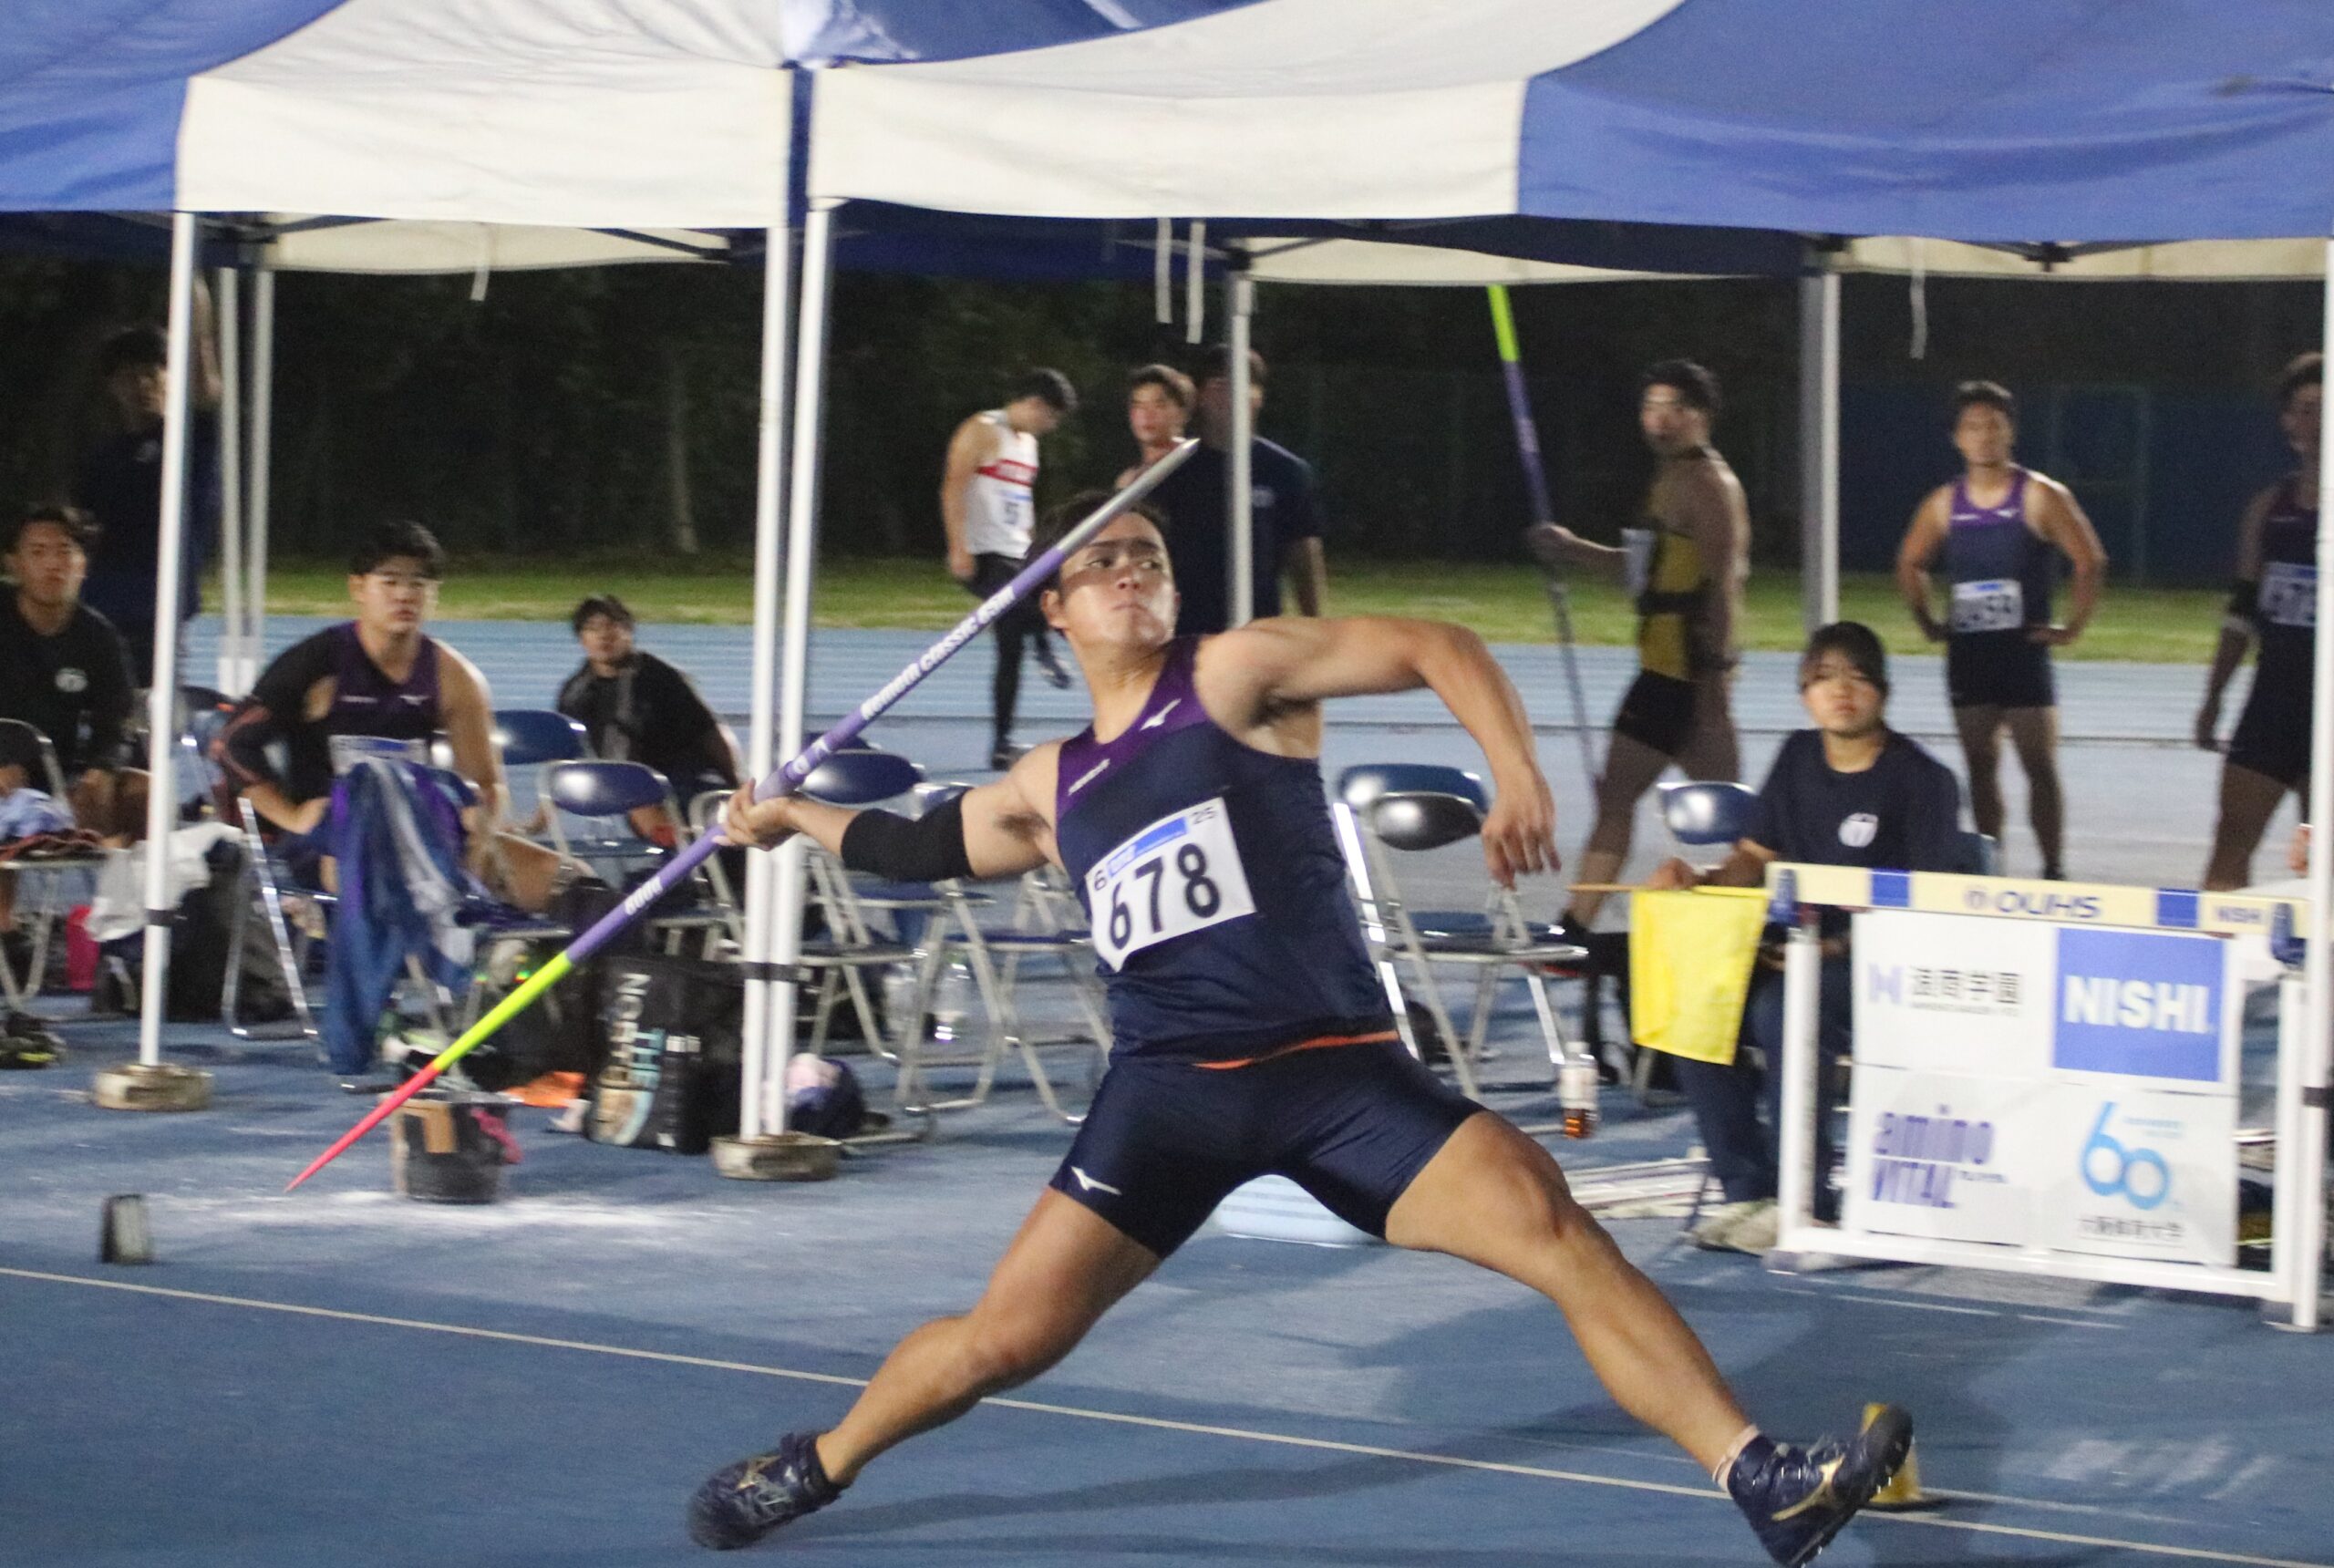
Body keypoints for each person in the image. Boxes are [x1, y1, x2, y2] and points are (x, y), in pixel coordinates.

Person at [691, 495, 1913, 1566]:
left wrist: (1518, 770)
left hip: (1340, 1077)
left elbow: (1438, 644)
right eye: (1102, 561)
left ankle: (1760, 1480)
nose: (1131, 571)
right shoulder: (1050, 784)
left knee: (1554, 1228)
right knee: (1004, 1343)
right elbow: (912, 847)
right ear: (1055, 608)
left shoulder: (1234, 674)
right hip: (1168, 1097)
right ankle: (819, 1460)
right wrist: (791, 815)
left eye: (1150, 555)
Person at [1645, 623, 1967, 1253]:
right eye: (1824, 678)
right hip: (1797, 951)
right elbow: (1755, 855)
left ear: (1883, 690)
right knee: (1692, 1002)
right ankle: (1748, 1191)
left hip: (1880, 965)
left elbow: (1930, 905)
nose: (1840, 690)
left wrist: (1837, 949)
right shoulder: (1796, 757)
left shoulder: (1923, 780)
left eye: (1856, 676)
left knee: (1781, 1010)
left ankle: (1807, 1199)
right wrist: (1698, 880)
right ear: (1804, 696)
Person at [215, 521, 574, 910]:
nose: (405, 594)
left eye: (418, 583)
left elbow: (485, 784)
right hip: (333, 841)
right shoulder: (316, 664)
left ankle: (516, 961)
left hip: (421, 833)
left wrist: (481, 838)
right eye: (389, 581)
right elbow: (233, 744)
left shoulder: (454, 678)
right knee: (377, 876)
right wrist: (291, 817)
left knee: (569, 884)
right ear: (358, 588)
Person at [1528, 359, 1750, 934]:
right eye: (1651, 407)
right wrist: (1572, 548)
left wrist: (1715, 684)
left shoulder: (1706, 485)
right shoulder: (1670, 479)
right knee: (1658, 804)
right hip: (1662, 671)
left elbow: (1724, 586)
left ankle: (1751, 923)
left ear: (1701, 416)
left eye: (1674, 408)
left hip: (1685, 677)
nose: (1659, 420)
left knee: (1716, 815)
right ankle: (1578, 926)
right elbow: (1646, 570)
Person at [1895, 381, 2106, 881]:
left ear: (2011, 430)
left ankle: (2053, 868)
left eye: (1994, 424)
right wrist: (1927, 622)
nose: (1985, 435)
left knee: (2039, 765)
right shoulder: (1944, 504)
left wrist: (2071, 628)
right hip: (1971, 654)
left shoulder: (2039, 496)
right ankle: (1992, 869)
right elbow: (1910, 562)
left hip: (2022, 653)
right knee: (1980, 768)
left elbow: (2089, 560)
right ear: (1957, 439)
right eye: (1973, 426)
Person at [2196, 355, 2322, 891]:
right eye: (2306, 408)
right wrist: (2214, 696)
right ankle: (2223, 962)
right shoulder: (2269, 509)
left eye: (2327, 406)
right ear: (2288, 423)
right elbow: (2242, 612)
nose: (2318, 419)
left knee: (2322, 860)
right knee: (2229, 845)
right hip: (2273, 703)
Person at [74, 308, 223, 680]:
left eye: (151, 373)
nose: (142, 385)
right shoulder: (102, 456)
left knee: (152, 714)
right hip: (99, 607)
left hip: (158, 610)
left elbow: (206, 389)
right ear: (112, 386)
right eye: (129, 376)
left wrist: (197, 296)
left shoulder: (190, 440)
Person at [940, 369, 1079, 770]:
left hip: (1018, 554)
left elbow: (1020, 500)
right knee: (1033, 610)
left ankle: (1001, 744)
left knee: (1010, 647)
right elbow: (953, 487)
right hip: (984, 553)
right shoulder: (981, 430)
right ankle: (1045, 644)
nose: (1051, 427)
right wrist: (958, 547)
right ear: (1035, 404)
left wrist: (1036, 545)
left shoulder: (1028, 444)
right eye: (1051, 418)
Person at [1143, 345, 1327, 635]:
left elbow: (1303, 553)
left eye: (1243, 386)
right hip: (1184, 629)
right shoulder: (1170, 471)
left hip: (1258, 628)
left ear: (1259, 397)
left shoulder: (1285, 471)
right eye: (1218, 386)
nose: (1230, 397)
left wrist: (1315, 626)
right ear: (1200, 396)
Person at [0, 507, 142, 838]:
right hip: (7, 771)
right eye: (37, 552)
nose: (52, 564)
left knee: (142, 790)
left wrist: (102, 770)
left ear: (83, 565)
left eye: (65, 551)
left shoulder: (98, 637)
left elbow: (119, 720)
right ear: (14, 563)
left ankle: (113, 887)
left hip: (59, 774)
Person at [556, 593, 739, 815]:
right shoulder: (576, 692)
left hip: (684, 777)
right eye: (593, 628)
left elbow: (708, 732)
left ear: (629, 631)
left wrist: (738, 783)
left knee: (706, 814)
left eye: (613, 625)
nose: (604, 635)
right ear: (582, 638)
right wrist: (541, 820)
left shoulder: (658, 677)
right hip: (624, 787)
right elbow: (563, 758)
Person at [1112, 362, 1193, 486]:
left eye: (1159, 406)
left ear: (1181, 413)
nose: (1147, 415)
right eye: (1139, 406)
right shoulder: (1128, 481)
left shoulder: (1198, 468)